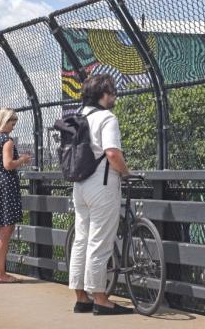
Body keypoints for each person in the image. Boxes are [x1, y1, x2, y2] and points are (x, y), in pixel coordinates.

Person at [69, 74, 134, 315]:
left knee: (82, 240)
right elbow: (113, 154)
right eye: (112, 92)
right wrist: (126, 173)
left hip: (79, 184)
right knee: (100, 241)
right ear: (103, 95)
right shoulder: (107, 118)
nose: (115, 96)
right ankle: (100, 299)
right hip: (102, 184)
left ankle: (81, 297)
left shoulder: (77, 116)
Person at [0, 109, 31, 284]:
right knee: (6, 229)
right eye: (12, 123)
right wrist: (22, 160)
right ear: (4, 122)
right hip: (5, 184)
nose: (13, 127)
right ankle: (2, 274)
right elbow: (8, 164)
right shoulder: (6, 141)